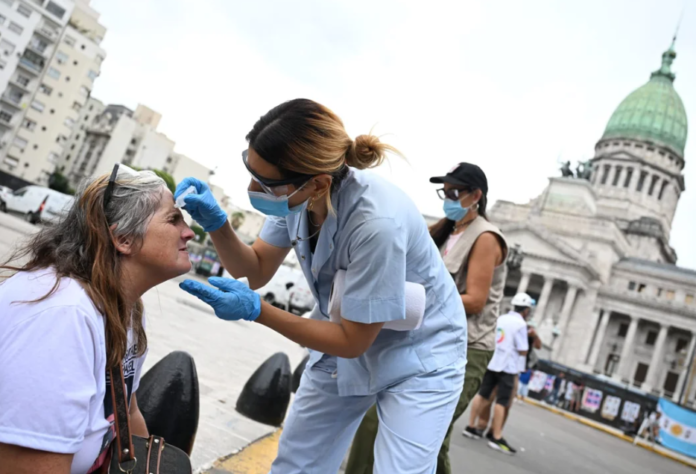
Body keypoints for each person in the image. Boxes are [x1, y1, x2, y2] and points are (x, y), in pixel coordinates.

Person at [175, 98, 467, 474]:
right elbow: (257, 269)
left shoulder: (376, 223)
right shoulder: (297, 197)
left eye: (265, 183)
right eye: (251, 171)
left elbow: (352, 341)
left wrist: (258, 310)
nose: (252, 187)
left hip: (420, 353)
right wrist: (218, 225)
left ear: (318, 183)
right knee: (296, 464)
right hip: (344, 332)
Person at [0, 165, 195, 473]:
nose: (189, 232)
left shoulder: (125, 308)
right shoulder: (63, 316)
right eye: (173, 219)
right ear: (124, 239)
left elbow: (127, 412)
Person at [344, 162, 508, 474]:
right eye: (444, 192)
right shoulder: (445, 230)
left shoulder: (485, 237)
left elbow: (475, 301)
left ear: (476, 196)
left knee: (428, 437)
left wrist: (412, 300)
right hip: (424, 339)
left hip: (467, 348)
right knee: (376, 421)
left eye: (454, 193)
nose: (447, 199)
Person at [463, 293, 532, 455]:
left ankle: (471, 426)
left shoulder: (501, 318)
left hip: (493, 362)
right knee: (502, 401)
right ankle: (496, 436)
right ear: (526, 310)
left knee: (482, 395)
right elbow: (523, 349)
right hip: (507, 367)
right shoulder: (521, 324)